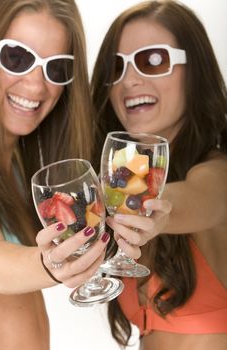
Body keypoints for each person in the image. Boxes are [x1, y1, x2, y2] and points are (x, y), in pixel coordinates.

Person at [91, 0, 227, 349]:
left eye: (153, 60)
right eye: (116, 67)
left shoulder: (218, 171)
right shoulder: (121, 181)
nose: (130, 80)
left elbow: (199, 199)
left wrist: (158, 212)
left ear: (194, 71)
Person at [0, 0, 110, 349]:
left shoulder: (17, 164)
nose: (36, 85)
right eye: (17, 57)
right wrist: (48, 264)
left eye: (56, 68)